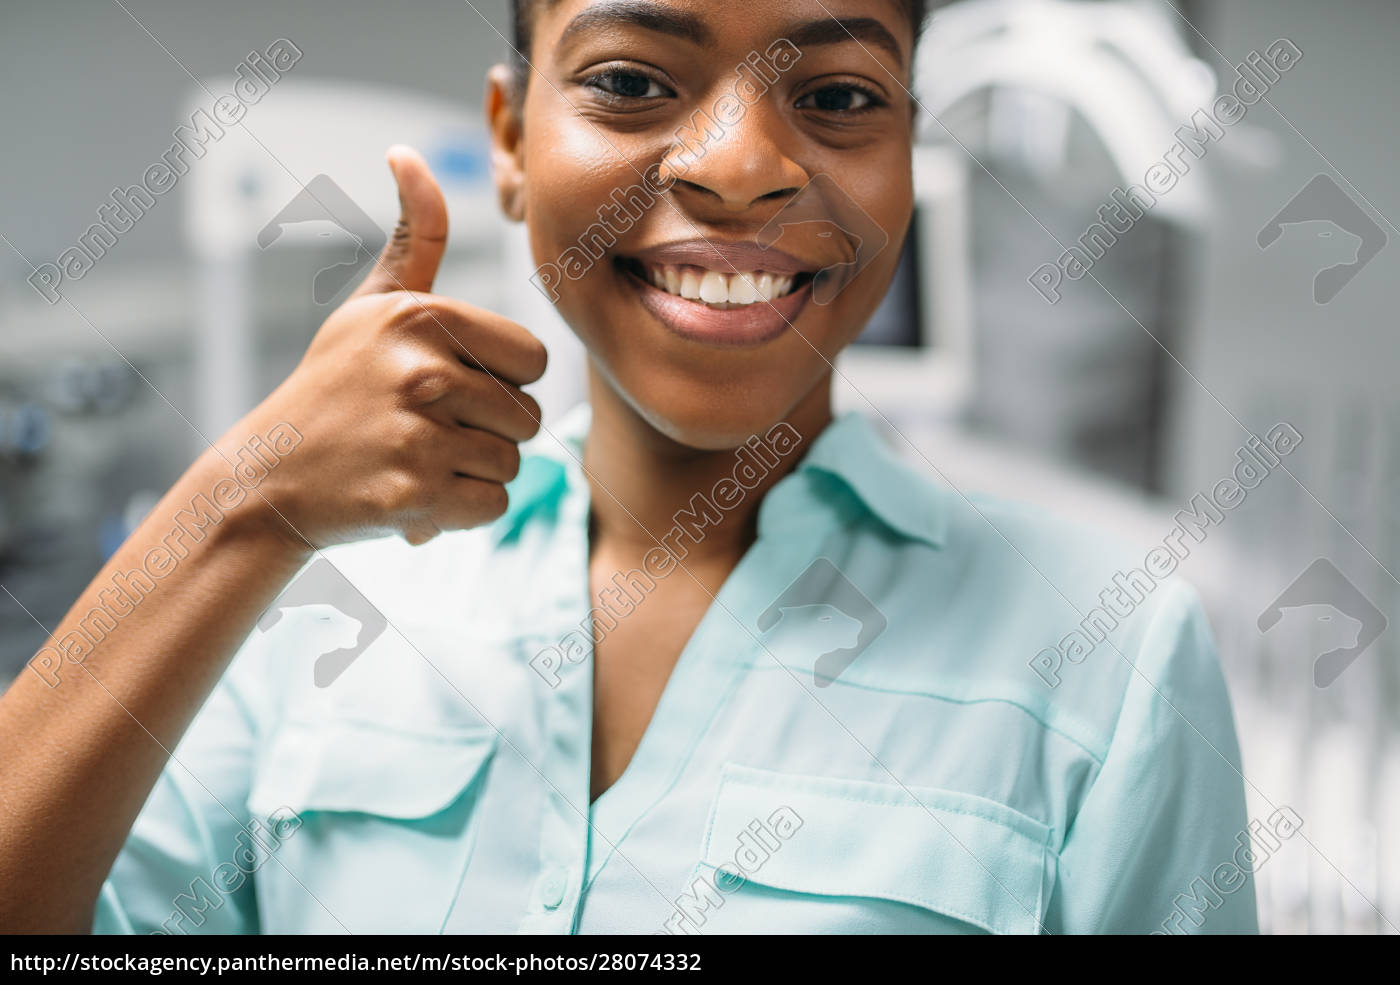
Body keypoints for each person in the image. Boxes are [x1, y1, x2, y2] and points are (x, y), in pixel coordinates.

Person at [0, 0, 1256, 934]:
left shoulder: (1108, 650)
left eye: (835, 98)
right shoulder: (318, 603)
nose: (736, 164)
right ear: (505, 138)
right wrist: (242, 500)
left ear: (909, 159)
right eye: (631, 79)